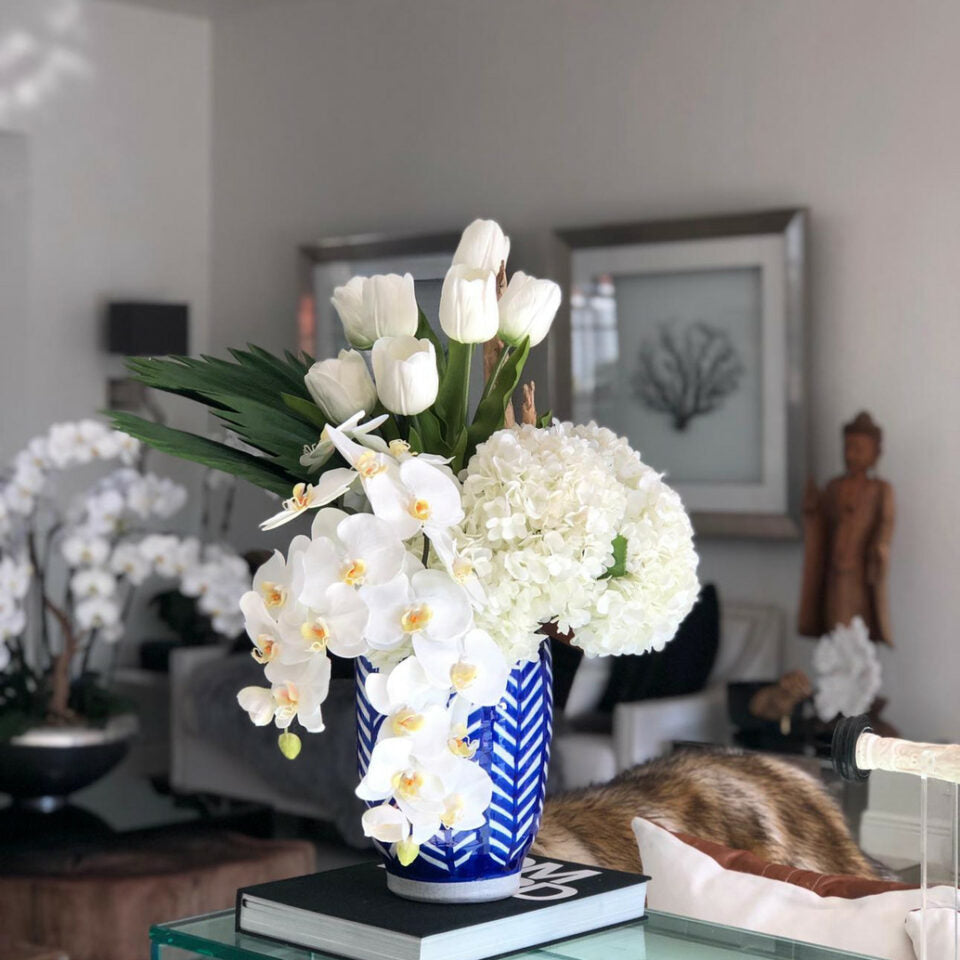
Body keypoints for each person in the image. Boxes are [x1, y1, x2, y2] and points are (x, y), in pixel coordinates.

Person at [798, 412, 894, 645]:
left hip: (859, 573)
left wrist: (879, 549)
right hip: (834, 571)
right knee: (834, 625)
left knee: (858, 629)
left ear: (875, 453)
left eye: (859, 449)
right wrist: (812, 511)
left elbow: (885, 525)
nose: (851, 455)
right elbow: (821, 524)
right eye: (848, 448)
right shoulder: (833, 487)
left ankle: (856, 662)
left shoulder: (880, 490)